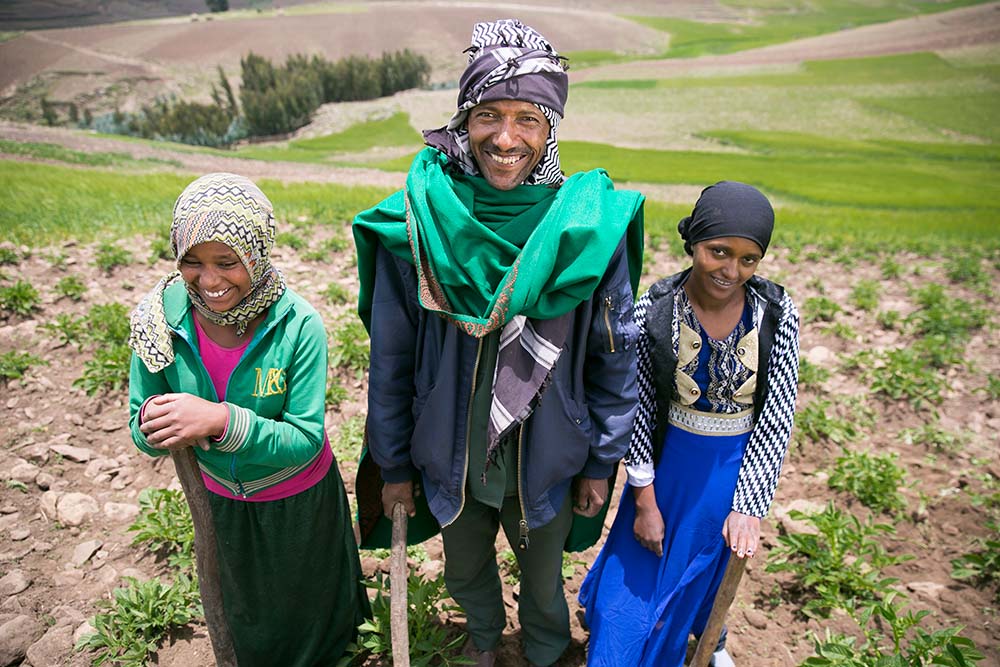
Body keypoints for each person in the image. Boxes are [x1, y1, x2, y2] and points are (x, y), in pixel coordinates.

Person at [352, 19, 644, 667]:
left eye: (526, 119)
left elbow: (614, 359)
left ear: (550, 131)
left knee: (544, 581)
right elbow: (392, 361)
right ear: (464, 120)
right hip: (449, 449)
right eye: (487, 115)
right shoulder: (422, 220)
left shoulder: (586, 230)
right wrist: (394, 463)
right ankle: (483, 639)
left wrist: (601, 460)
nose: (505, 138)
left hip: (547, 452)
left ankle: (544, 650)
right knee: (463, 565)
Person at [126, 172, 369, 667]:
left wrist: (218, 420)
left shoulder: (298, 325)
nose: (210, 281)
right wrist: (155, 421)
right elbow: (141, 428)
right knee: (248, 607)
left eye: (227, 262)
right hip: (223, 500)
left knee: (313, 604)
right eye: (192, 262)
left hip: (299, 498)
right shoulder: (159, 323)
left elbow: (303, 438)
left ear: (256, 254)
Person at [579, 181, 800, 667]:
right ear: (693, 242)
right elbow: (637, 411)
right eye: (718, 251)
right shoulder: (654, 312)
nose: (730, 270)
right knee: (630, 596)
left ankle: (708, 642)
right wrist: (644, 501)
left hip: (730, 472)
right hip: (667, 466)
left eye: (748, 259)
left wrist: (749, 505)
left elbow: (777, 413)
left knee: (702, 576)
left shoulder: (776, 315)